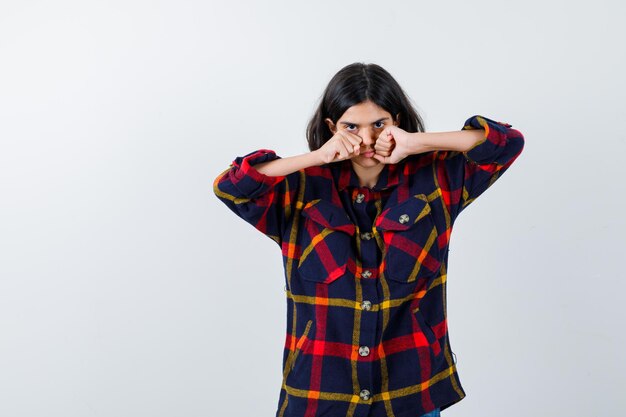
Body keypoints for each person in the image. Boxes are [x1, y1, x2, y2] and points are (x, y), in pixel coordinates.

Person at [213, 62, 525, 417]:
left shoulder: (436, 179)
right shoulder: (301, 188)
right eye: (351, 126)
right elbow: (232, 188)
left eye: (379, 123)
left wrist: (416, 142)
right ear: (333, 127)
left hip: (410, 391)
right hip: (320, 395)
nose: (367, 138)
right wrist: (316, 157)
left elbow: (505, 143)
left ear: (397, 120)